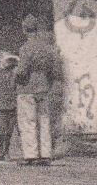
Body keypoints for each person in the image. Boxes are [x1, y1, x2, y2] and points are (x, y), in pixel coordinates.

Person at [13, 14, 62, 165]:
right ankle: (46, 154)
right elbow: (55, 70)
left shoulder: (25, 48)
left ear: (24, 30)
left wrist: (14, 71)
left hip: (27, 88)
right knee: (44, 120)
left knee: (28, 121)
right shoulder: (48, 48)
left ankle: (31, 155)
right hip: (44, 88)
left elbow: (22, 71)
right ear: (37, 29)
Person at [0, 51, 20, 162]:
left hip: (12, 105)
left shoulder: (13, 72)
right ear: (0, 59)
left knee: (9, 131)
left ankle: (6, 152)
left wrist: (16, 60)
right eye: (7, 60)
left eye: (10, 60)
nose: (8, 62)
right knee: (2, 131)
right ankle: (0, 151)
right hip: (0, 106)